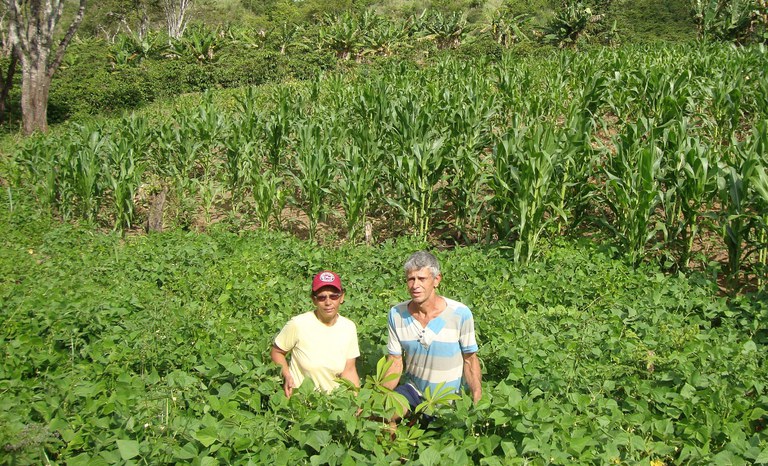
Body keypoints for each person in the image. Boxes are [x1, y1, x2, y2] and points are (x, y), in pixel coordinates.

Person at [383, 251, 482, 414]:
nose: (415, 285)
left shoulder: (460, 314)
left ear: (436, 280)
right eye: (411, 279)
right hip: (413, 393)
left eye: (422, 279)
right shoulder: (396, 314)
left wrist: (477, 397)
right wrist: (379, 397)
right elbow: (395, 361)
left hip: (449, 400)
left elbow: (470, 359)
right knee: (385, 415)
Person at [270, 270, 360, 397]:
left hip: (335, 399)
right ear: (314, 300)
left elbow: (349, 370)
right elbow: (277, 352)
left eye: (333, 296)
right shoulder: (298, 324)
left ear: (342, 297)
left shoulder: (349, 327)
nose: (328, 302)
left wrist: (356, 401)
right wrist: (287, 375)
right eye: (322, 297)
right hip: (303, 399)